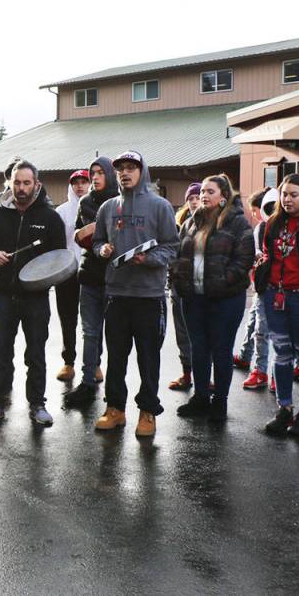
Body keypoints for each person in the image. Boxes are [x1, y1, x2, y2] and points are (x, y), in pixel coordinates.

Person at [92, 151, 179, 437]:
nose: (125, 173)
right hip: (116, 294)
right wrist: (102, 249)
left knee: (148, 358)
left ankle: (148, 411)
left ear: (142, 172)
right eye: (120, 170)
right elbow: (97, 241)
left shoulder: (160, 206)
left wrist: (149, 259)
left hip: (149, 296)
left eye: (131, 168)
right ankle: (115, 409)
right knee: (115, 357)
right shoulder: (107, 207)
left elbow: (172, 246)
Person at [0, 160, 66, 426]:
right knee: (1, 351)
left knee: (35, 352)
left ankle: (37, 405)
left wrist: (43, 276)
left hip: (36, 297)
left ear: (36, 184)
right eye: (17, 182)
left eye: (27, 182)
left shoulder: (50, 218)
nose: (21, 187)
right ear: (10, 183)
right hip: (5, 294)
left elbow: (59, 256)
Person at [170, 175, 254, 422]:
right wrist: (177, 279)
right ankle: (200, 398)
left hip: (225, 300)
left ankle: (220, 403)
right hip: (192, 298)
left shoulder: (238, 223)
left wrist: (218, 283)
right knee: (198, 350)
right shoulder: (191, 222)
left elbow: (243, 261)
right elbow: (178, 256)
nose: (204, 195)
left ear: (223, 196)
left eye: (210, 191)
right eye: (202, 191)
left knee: (221, 351)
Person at [63, 157, 117, 407]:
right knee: (90, 331)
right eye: (92, 173)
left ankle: (115, 391)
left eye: (99, 173)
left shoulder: (122, 199)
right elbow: (82, 234)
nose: (95, 178)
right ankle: (86, 382)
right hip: (90, 275)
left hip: (118, 279)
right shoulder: (86, 202)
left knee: (116, 335)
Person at [257, 174, 299, 435]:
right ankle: (284, 408)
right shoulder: (273, 223)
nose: (287, 199)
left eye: (294, 194)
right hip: (274, 296)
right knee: (282, 354)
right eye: (284, 194)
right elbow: (268, 254)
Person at [239, 188, 278, 390]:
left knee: (286, 336)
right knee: (260, 331)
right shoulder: (262, 229)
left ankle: (280, 375)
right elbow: (258, 254)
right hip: (265, 286)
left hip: (291, 288)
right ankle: (260, 371)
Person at [54, 169, 89, 381]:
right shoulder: (62, 211)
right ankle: (68, 362)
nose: (80, 186)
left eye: (84, 181)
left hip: (90, 273)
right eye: (76, 182)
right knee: (67, 320)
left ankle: (93, 363)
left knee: (91, 322)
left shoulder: (98, 208)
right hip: (66, 274)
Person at [167, 183, 200, 390]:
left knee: (203, 335)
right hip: (180, 287)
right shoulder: (181, 225)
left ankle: (205, 378)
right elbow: (172, 254)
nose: (195, 201)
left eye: (198, 196)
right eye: (191, 198)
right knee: (183, 333)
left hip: (203, 289)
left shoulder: (215, 224)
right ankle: (187, 374)